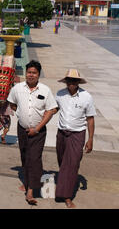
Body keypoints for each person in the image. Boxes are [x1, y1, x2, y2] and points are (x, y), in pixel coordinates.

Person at [7, 60, 58, 205]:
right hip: (22, 129)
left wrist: (37, 128)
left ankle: (30, 191)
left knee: (34, 159)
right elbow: (12, 103)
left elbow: (50, 110)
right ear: (26, 73)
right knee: (24, 156)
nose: (31, 75)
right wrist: (21, 116)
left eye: (34, 73)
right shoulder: (17, 88)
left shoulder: (45, 90)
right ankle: (27, 181)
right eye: (29, 72)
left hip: (39, 131)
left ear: (38, 74)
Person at [54, 69, 96, 208]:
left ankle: (67, 196)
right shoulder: (60, 94)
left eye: (74, 81)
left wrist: (90, 139)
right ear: (66, 81)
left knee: (72, 165)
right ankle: (65, 183)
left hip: (77, 135)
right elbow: (53, 109)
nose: (71, 83)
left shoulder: (86, 97)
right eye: (69, 81)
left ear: (78, 82)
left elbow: (90, 119)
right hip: (61, 134)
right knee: (62, 162)